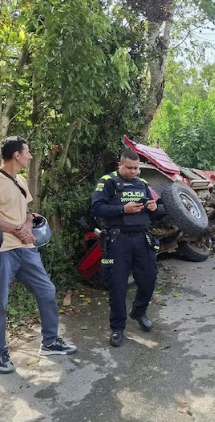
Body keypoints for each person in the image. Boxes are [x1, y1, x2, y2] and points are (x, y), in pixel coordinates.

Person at [0, 137, 77, 373]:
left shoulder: (21, 180)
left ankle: (50, 342)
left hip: (26, 249)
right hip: (1, 250)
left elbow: (27, 211)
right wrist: (17, 230)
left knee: (47, 290)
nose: (30, 156)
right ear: (16, 155)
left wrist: (27, 226)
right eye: (27, 152)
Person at [91, 148, 161, 347]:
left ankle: (139, 312)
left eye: (136, 168)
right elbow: (96, 208)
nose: (133, 172)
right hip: (118, 241)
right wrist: (123, 209)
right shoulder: (108, 182)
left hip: (142, 239)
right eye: (129, 168)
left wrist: (153, 208)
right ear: (119, 165)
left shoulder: (142, 183)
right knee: (117, 285)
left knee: (149, 279)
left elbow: (154, 213)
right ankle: (117, 328)